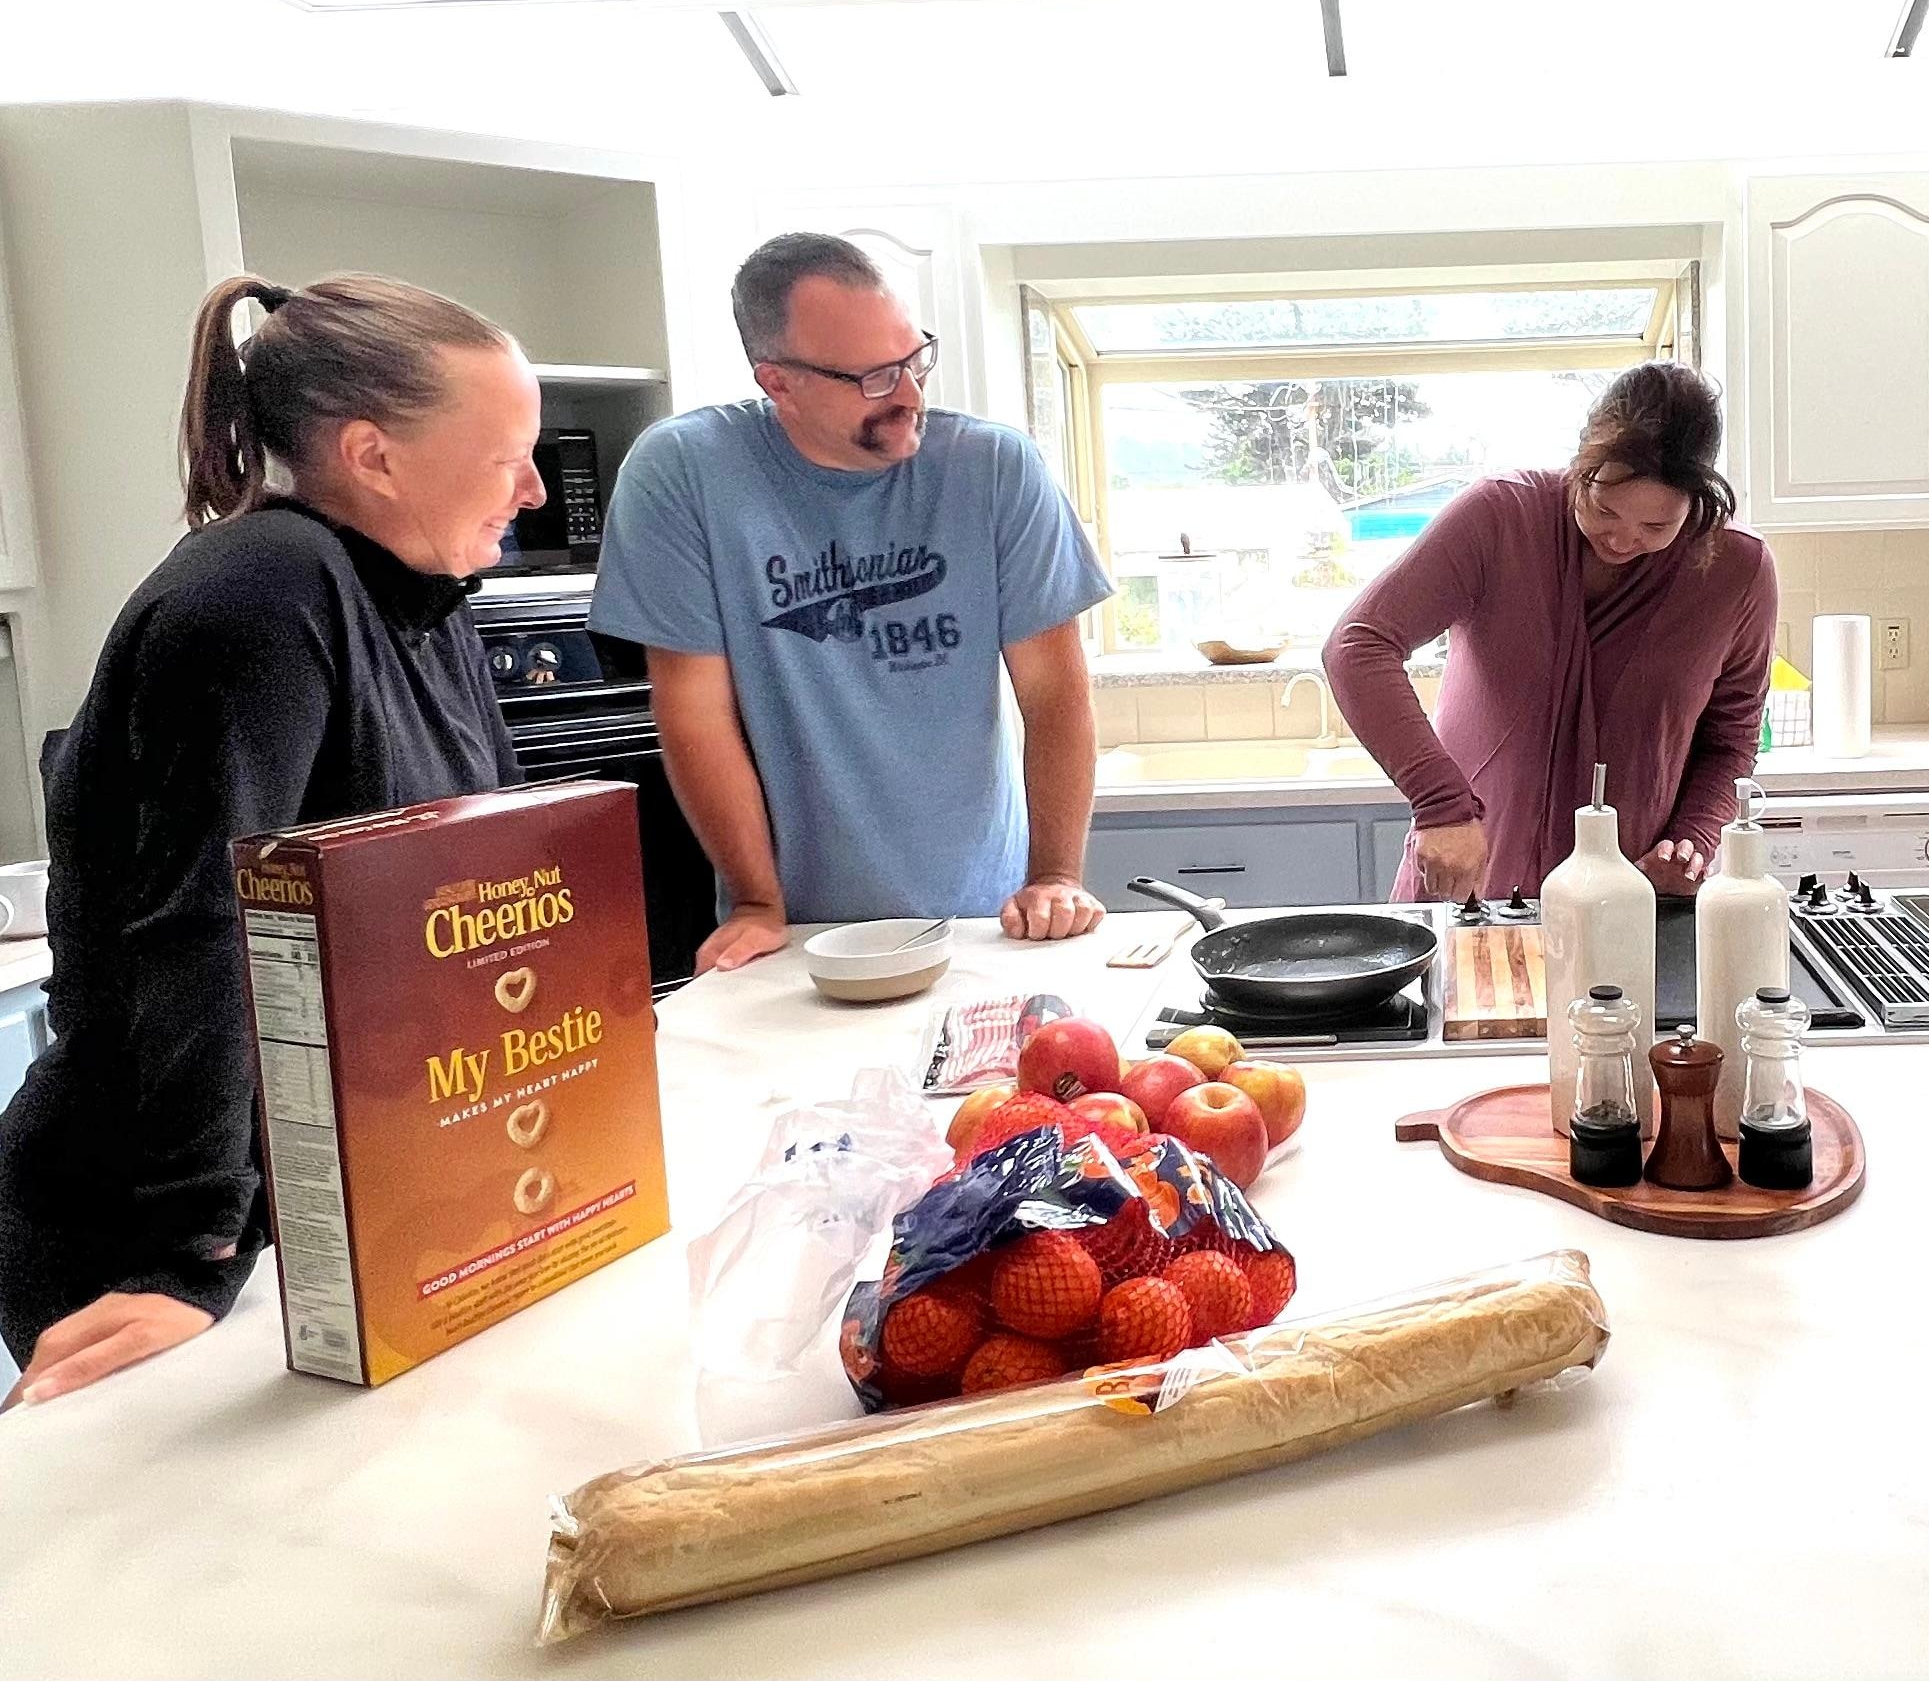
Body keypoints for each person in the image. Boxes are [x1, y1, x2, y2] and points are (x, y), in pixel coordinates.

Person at [1, 274, 541, 1404]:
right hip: (168, 1211)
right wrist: (186, 1252)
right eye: (506, 458)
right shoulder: (261, 590)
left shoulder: (425, 600)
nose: (533, 489)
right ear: (373, 455)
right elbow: (199, 921)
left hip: (328, 1181)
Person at [590, 234, 1112, 970]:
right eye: (870, 377)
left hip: (981, 925)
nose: (907, 394)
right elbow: (694, 710)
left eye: (911, 358)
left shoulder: (993, 470)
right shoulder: (683, 473)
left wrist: (1054, 876)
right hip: (790, 937)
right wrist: (754, 900)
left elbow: (1055, 692)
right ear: (778, 381)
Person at [1324, 360, 1777, 903]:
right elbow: (1358, 644)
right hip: (1473, 889)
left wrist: (1692, 840)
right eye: (1604, 508)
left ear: (1698, 500)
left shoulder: (1734, 570)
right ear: (1583, 462)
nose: (1623, 539)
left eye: (1657, 526)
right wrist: (1440, 803)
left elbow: (1730, 741)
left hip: (1627, 903)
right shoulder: (1499, 519)